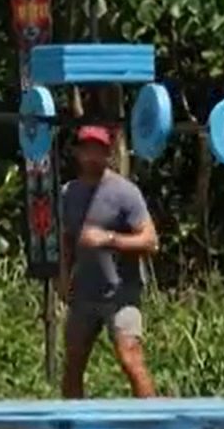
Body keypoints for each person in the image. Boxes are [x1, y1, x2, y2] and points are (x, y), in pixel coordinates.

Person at [59, 124, 160, 399]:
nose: (93, 156)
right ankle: (72, 419)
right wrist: (63, 277)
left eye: (99, 150)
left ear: (108, 154)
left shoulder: (125, 193)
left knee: (130, 358)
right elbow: (66, 239)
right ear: (78, 153)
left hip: (121, 293)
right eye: (88, 149)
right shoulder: (68, 193)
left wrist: (109, 239)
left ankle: (153, 416)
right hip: (84, 292)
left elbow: (150, 241)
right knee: (74, 360)